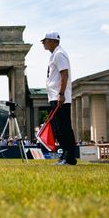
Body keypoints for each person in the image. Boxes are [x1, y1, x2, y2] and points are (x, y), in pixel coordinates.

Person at [42, 31, 77, 165]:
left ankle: (69, 158)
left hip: (60, 97)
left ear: (53, 41)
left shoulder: (59, 54)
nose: (43, 43)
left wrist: (61, 94)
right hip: (55, 96)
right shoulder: (54, 54)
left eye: (45, 41)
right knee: (58, 129)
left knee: (64, 128)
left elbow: (64, 74)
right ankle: (65, 156)